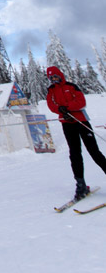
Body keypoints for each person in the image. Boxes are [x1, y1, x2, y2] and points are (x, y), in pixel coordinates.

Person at [46, 65, 106, 201]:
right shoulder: (51, 91)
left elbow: (81, 101)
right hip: (67, 124)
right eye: (51, 78)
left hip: (81, 122)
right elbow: (51, 105)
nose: (54, 79)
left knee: (94, 152)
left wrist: (67, 108)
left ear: (60, 75)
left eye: (55, 76)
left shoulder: (71, 86)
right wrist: (61, 110)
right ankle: (80, 185)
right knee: (74, 154)